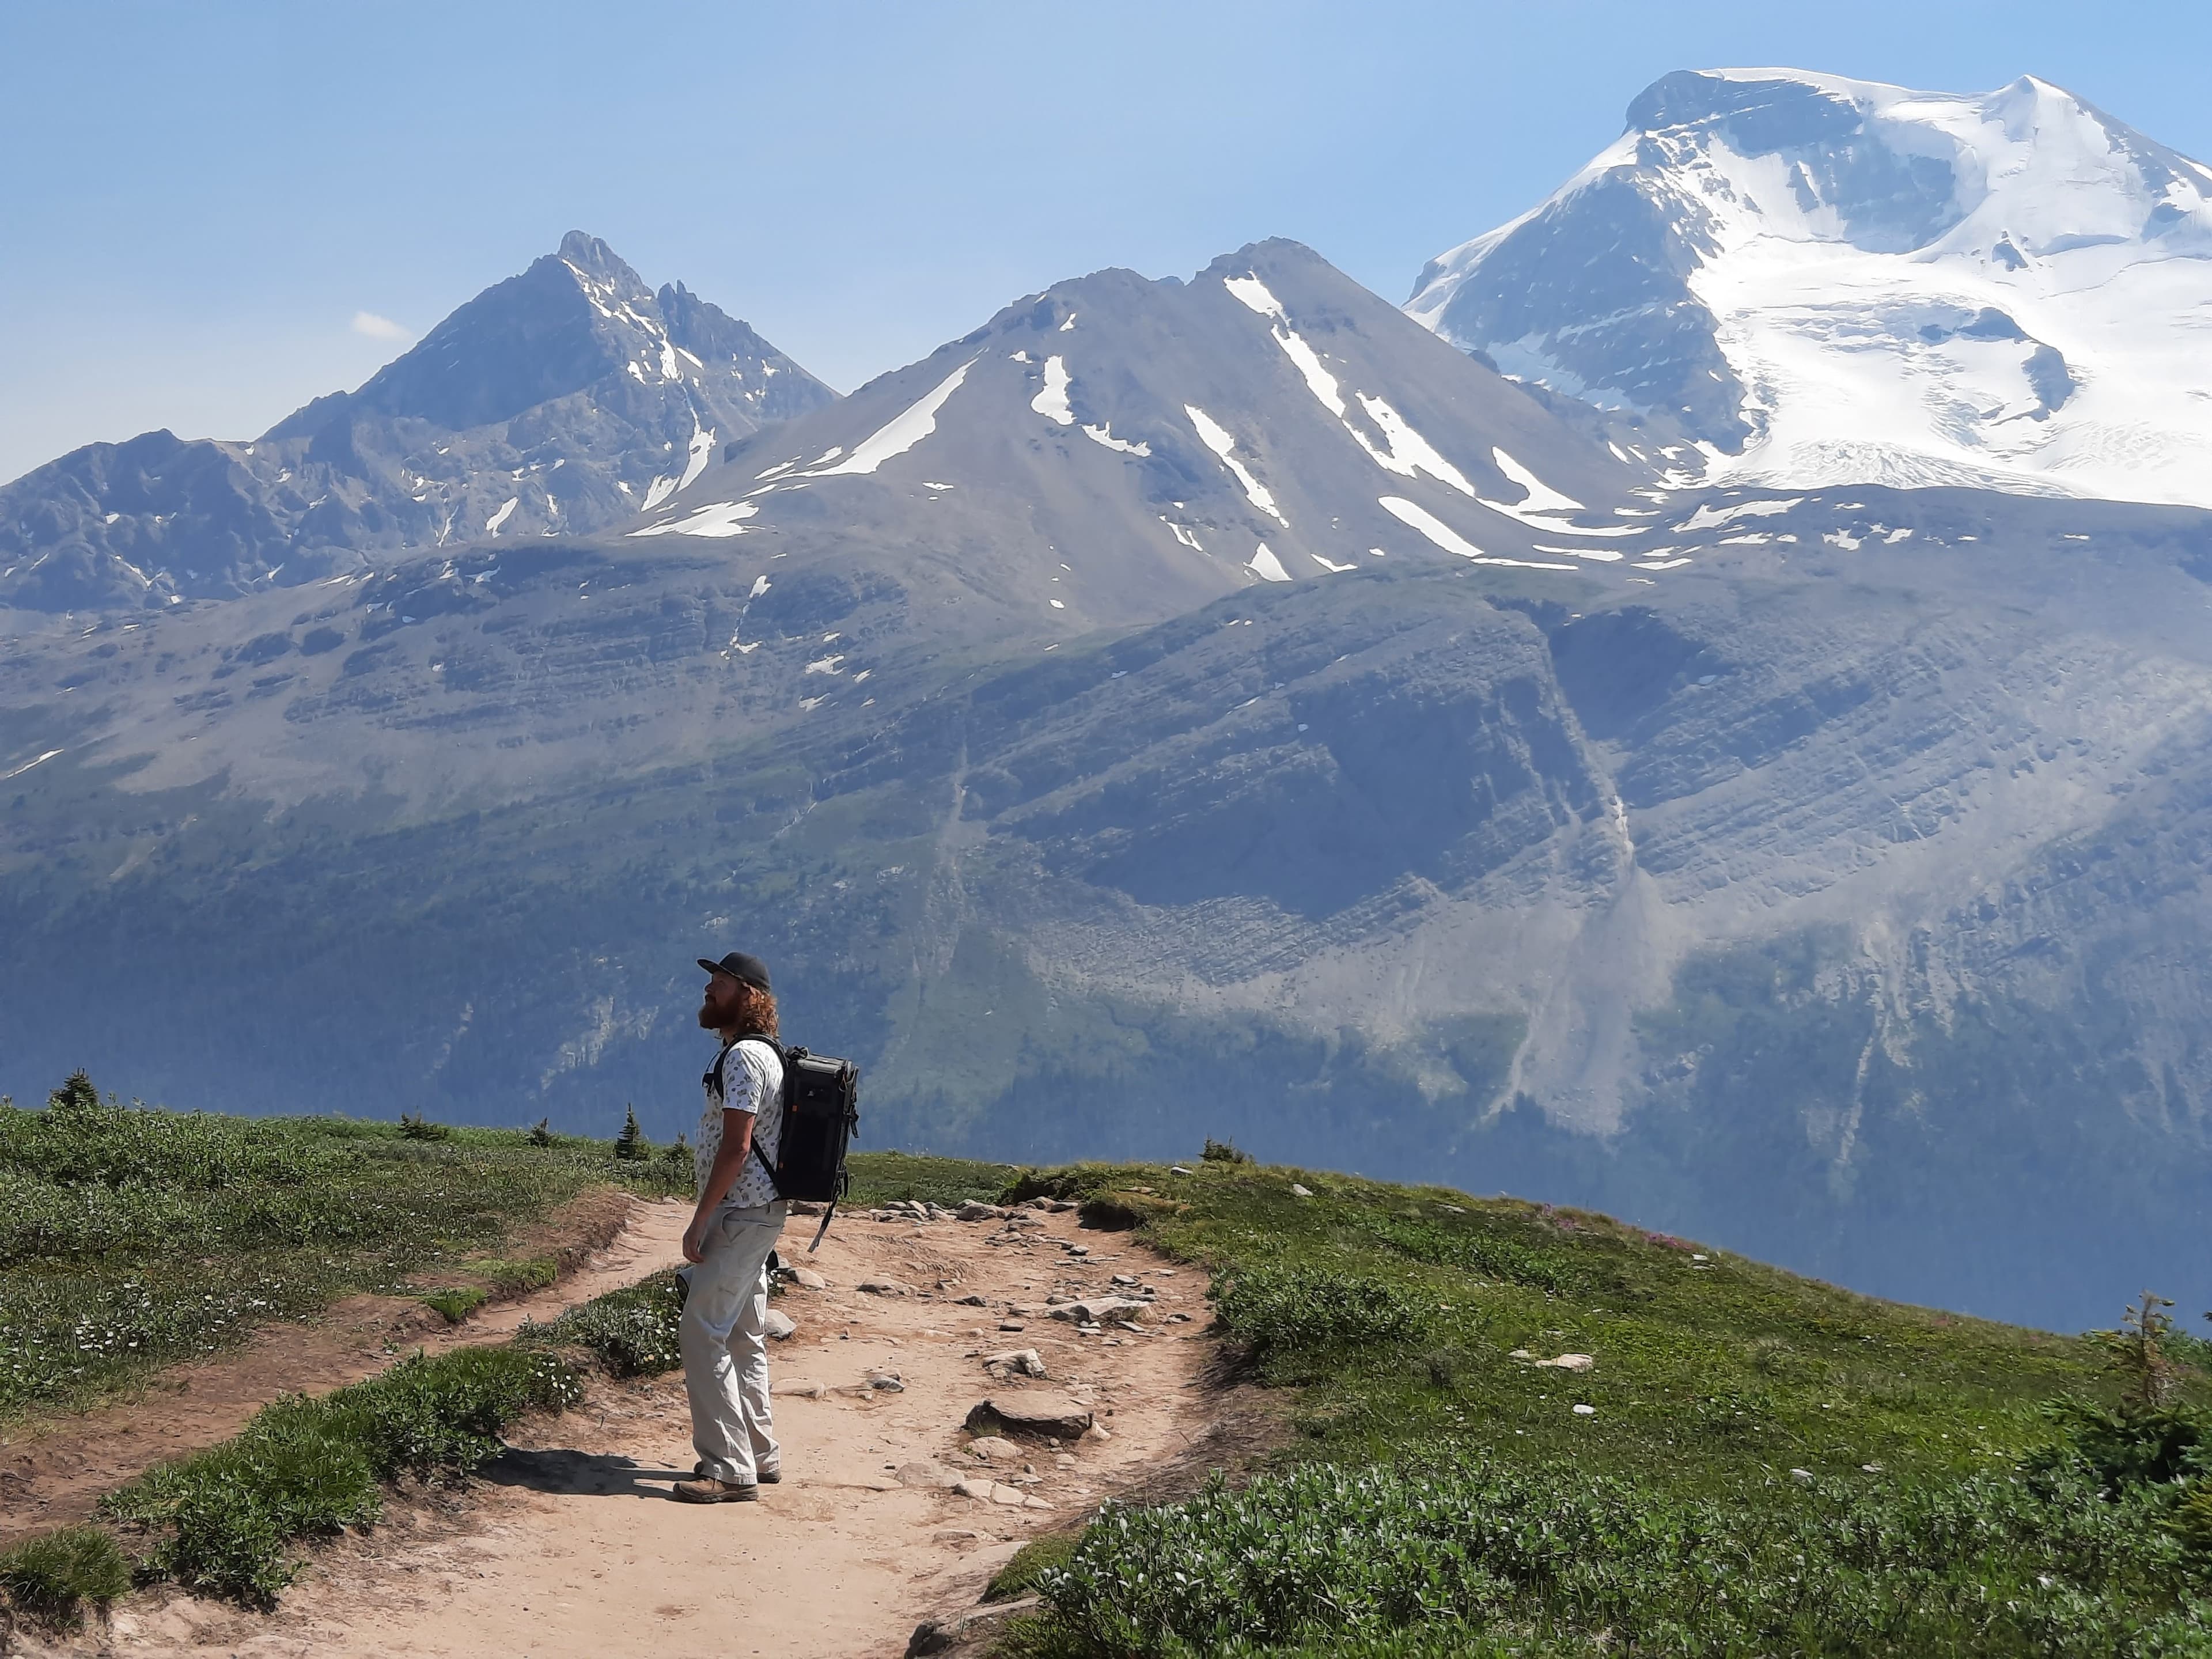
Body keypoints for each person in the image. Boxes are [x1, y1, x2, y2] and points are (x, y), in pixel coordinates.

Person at [672, 949, 787, 1503]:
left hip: (738, 1214)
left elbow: (736, 1146)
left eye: (719, 983)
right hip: (759, 1214)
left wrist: (701, 1219)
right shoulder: (767, 1054)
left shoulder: (743, 1058)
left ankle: (727, 1468)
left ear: (748, 996)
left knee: (701, 1332)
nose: (708, 990)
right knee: (743, 1335)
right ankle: (761, 1454)